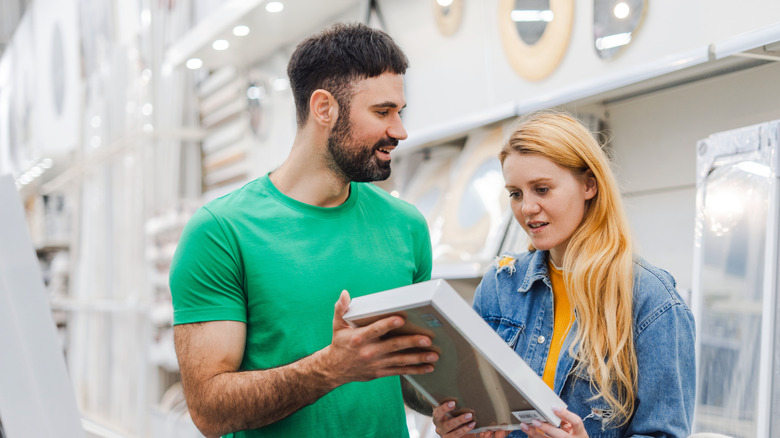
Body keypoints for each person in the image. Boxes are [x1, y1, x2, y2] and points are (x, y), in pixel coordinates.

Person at [169, 22, 438, 438]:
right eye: (382, 112)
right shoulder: (221, 232)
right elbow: (208, 410)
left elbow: (412, 376)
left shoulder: (406, 226)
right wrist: (330, 369)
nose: (399, 131)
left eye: (399, 112)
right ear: (324, 108)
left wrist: (460, 407)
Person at [432, 111, 696, 437]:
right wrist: (457, 430)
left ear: (589, 185)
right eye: (515, 193)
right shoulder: (500, 287)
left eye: (541, 189)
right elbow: (478, 407)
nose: (526, 207)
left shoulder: (651, 301)